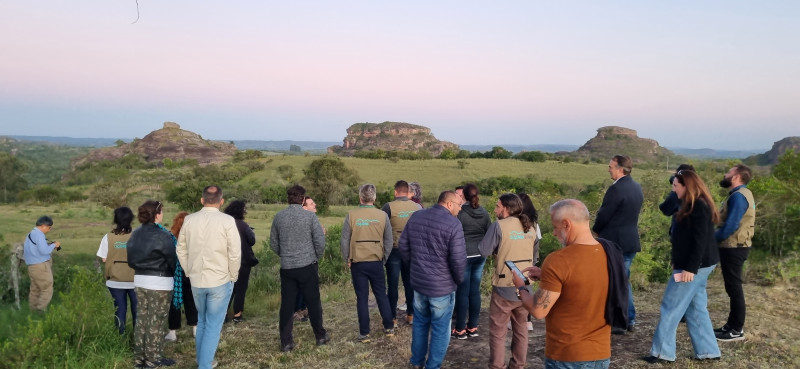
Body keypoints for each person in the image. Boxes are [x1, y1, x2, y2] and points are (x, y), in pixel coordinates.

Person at [512, 199, 611, 369]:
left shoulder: (558, 260)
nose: (554, 233)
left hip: (567, 355)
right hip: (601, 354)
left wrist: (521, 287)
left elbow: (538, 310)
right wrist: (547, 276)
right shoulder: (609, 252)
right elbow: (583, 280)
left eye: (555, 227)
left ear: (566, 224)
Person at [643, 170, 721, 363]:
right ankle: (708, 351)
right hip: (694, 264)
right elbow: (682, 235)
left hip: (695, 266)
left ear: (687, 186)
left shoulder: (699, 206)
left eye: (676, 186)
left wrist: (689, 269)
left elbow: (699, 241)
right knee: (695, 308)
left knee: (671, 306)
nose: (673, 189)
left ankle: (662, 353)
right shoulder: (688, 203)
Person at [398, 190, 466, 369]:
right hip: (442, 288)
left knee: (420, 324)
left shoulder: (417, 216)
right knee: (440, 329)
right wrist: (458, 280)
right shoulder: (454, 224)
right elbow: (458, 260)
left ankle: (416, 362)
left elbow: (403, 245)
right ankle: (433, 366)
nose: (460, 209)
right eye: (459, 205)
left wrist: (414, 266)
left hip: (420, 284)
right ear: (450, 204)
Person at [176, 186, 241, 369]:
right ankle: (204, 365)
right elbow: (235, 253)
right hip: (220, 280)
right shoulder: (227, 221)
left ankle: (203, 360)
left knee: (202, 320)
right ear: (221, 201)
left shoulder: (189, 220)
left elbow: (180, 249)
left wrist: (189, 270)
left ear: (202, 200)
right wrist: (233, 275)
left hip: (197, 279)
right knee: (213, 324)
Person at [478, 193, 537, 369]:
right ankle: (518, 364)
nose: (495, 209)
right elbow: (533, 258)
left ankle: (497, 365)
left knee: (498, 332)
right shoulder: (531, 227)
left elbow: (484, 250)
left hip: (504, 287)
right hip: (526, 287)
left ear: (506, 208)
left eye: (497, 206)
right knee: (521, 330)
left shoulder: (499, 226)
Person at [270, 185, 330, 352]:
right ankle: (320, 336)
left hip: (287, 267)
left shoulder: (279, 217)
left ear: (288, 198)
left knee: (287, 305)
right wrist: (315, 256)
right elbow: (320, 241)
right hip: (307, 265)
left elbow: (273, 243)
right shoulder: (310, 217)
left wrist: (285, 254)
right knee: (313, 302)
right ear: (303, 199)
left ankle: (286, 342)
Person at [592, 154, 643, 334]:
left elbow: (604, 214)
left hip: (615, 242)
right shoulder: (637, 187)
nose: (609, 169)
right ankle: (628, 318)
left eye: (611, 166)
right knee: (623, 280)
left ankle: (620, 321)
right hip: (630, 240)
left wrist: (595, 231)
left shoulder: (616, 189)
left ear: (620, 169)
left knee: (615, 281)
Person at [340, 184, 395, 342]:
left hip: (358, 262)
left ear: (360, 198)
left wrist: (347, 258)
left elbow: (344, 240)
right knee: (381, 295)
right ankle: (389, 327)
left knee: (362, 298)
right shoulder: (382, 215)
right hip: (376, 261)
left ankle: (364, 333)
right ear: (374, 198)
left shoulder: (351, 215)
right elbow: (389, 240)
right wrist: (383, 258)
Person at [127, 200, 178, 368]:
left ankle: (139, 358)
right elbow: (172, 260)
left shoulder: (135, 233)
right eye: (162, 211)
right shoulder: (163, 235)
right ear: (156, 214)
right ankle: (153, 358)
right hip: (160, 282)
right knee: (156, 321)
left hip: (140, 280)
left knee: (142, 319)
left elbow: (131, 259)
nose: (163, 214)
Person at [714, 164, 756, 342]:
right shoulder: (741, 194)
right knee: (732, 287)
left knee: (734, 288)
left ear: (737, 176)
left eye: (729, 172)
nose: (725, 174)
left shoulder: (738, 197)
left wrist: (711, 240)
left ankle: (736, 329)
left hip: (734, 247)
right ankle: (730, 326)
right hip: (736, 246)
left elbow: (731, 225)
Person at [452, 183, 491, 340]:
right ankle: (473, 327)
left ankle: (460, 329)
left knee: (462, 292)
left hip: (464, 256)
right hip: (480, 255)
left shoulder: (460, 213)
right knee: (475, 291)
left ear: (464, 196)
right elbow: (489, 232)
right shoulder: (484, 213)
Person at [381, 180, 422, 326]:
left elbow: (382, 228)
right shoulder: (417, 207)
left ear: (395, 192)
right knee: (410, 283)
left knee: (392, 285)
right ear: (408, 191)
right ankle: (411, 315)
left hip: (394, 250)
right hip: (412, 250)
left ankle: (392, 318)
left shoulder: (388, 206)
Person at [96, 207, 137, 334]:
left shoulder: (108, 237)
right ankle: (138, 339)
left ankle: (120, 338)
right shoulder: (137, 236)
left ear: (116, 219)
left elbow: (104, 259)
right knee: (137, 310)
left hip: (114, 280)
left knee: (120, 309)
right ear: (131, 219)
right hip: (135, 280)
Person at [166, 212, 198, 341]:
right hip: (191, 274)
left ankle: (172, 332)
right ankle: (195, 329)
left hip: (175, 275)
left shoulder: (170, 237)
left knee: (174, 304)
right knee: (192, 302)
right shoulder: (195, 238)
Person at [224, 200, 257, 324]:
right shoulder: (243, 225)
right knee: (240, 289)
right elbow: (252, 240)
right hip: (243, 262)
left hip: (225, 262)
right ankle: (237, 315)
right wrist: (249, 229)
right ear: (240, 211)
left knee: (227, 289)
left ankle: (223, 314)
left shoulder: (224, 224)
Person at [294, 196, 323, 322]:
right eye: (311, 203)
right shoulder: (303, 221)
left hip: (310, 258)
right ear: (304, 207)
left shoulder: (311, 219)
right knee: (303, 287)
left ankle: (304, 310)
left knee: (307, 287)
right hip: (305, 259)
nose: (314, 204)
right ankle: (298, 311)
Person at [516, 192, 543, 332]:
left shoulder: (514, 222)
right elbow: (537, 241)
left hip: (517, 258)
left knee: (517, 287)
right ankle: (527, 321)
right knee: (528, 286)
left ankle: (517, 320)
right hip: (530, 258)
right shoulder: (534, 223)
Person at [23, 215, 61, 312]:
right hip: (40, 266)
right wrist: (54, 245)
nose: (49, 229)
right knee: (47, 288)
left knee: (35, 289)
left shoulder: (30, 234)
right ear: (43, 225)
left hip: (32, 267)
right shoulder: (39, 235)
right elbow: (44, 251)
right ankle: (40, 311)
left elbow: (36, 249)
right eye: (49, 227)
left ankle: (33, 311)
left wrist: (49, 246)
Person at [659, 164, 696, 236]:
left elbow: (665, 209)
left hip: (680, 236)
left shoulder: (677, 195)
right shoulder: (699, 193)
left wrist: (674, 190)